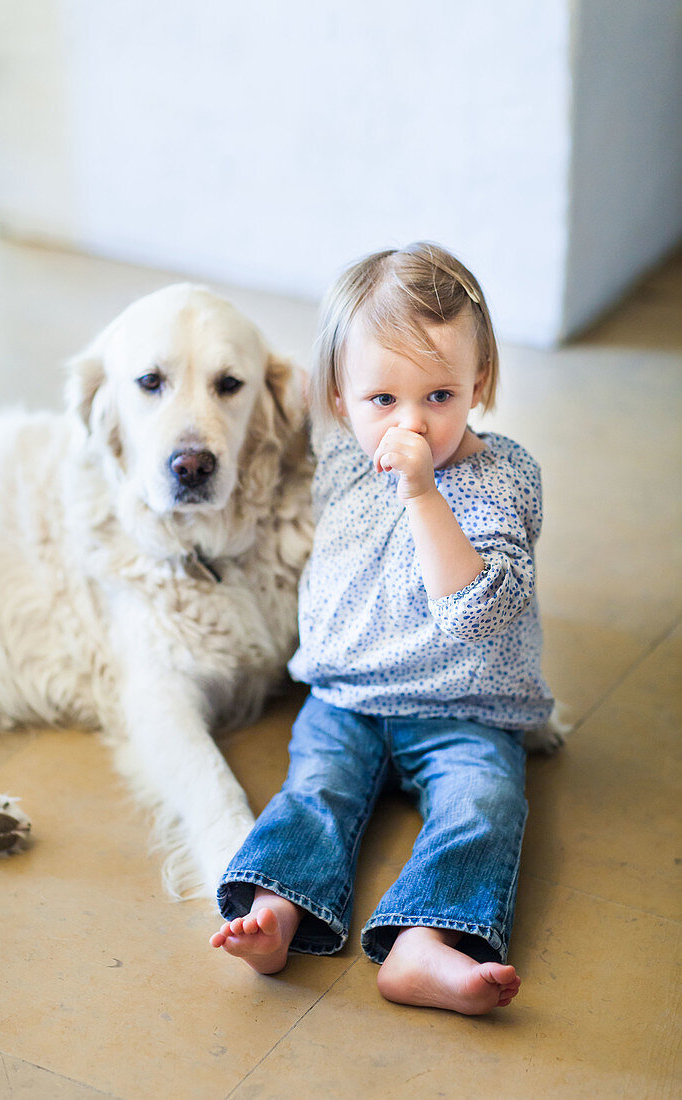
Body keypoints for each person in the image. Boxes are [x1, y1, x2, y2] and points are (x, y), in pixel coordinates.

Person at [210, 242, 554, 1015]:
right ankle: (275, 909)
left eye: (438, 395)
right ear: (339, 400)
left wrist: (424, 494)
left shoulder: (503, 478)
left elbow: (477, 613)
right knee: (314, 792)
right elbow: (269, 403)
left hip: (465, 703)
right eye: (381, 401)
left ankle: (425, 944)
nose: (411, 423)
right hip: (345, 694)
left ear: (481, 384)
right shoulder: (339, 456)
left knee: (482, 806)